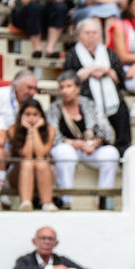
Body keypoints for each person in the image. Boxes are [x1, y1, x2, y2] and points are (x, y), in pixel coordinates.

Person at [48, 70, 119, 206]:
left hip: (90, 149)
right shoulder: (54, 108)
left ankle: (104, 199)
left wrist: (96, 142)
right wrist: (76, 144)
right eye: (62, 87)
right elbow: (52, 136)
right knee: (64, 152)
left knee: (111, 153)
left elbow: (108, 132)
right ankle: (66, 200)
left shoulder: (90, 105)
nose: (64, 91)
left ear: (78, 88)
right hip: (68, 148)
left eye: (69, 86)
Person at [64, 17, 134, 150]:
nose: (91, 36)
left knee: (122, 111)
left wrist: (106, 71)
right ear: (79, 36)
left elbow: (120, 78)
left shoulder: (109, 53)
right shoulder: (73, 54)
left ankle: (122, 149)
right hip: (84, 99)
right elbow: (69, 79)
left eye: (94, 33)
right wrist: (90, 70)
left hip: (112, 99)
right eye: (87, 33)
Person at [13, 226, 93, 269]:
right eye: (43, 238)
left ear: (56, 243)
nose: (47, 242)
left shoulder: (61, 260)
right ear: (34, 241)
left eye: (50, 239)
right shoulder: (25, 260)